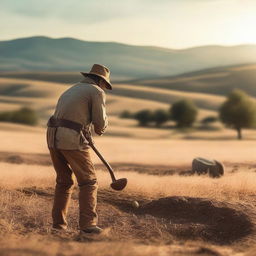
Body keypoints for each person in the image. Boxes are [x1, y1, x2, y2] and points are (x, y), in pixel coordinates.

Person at [46, 64, 112, 234]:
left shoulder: (72, 89)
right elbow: (100, 124)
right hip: (72, 139)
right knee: (89, 181)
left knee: (64, 181)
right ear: (100, 80)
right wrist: (102, 125)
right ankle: (88, 225)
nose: (104, 87)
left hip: (53, 137)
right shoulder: (96, 91)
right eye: (105, 84)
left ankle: (58, 226)